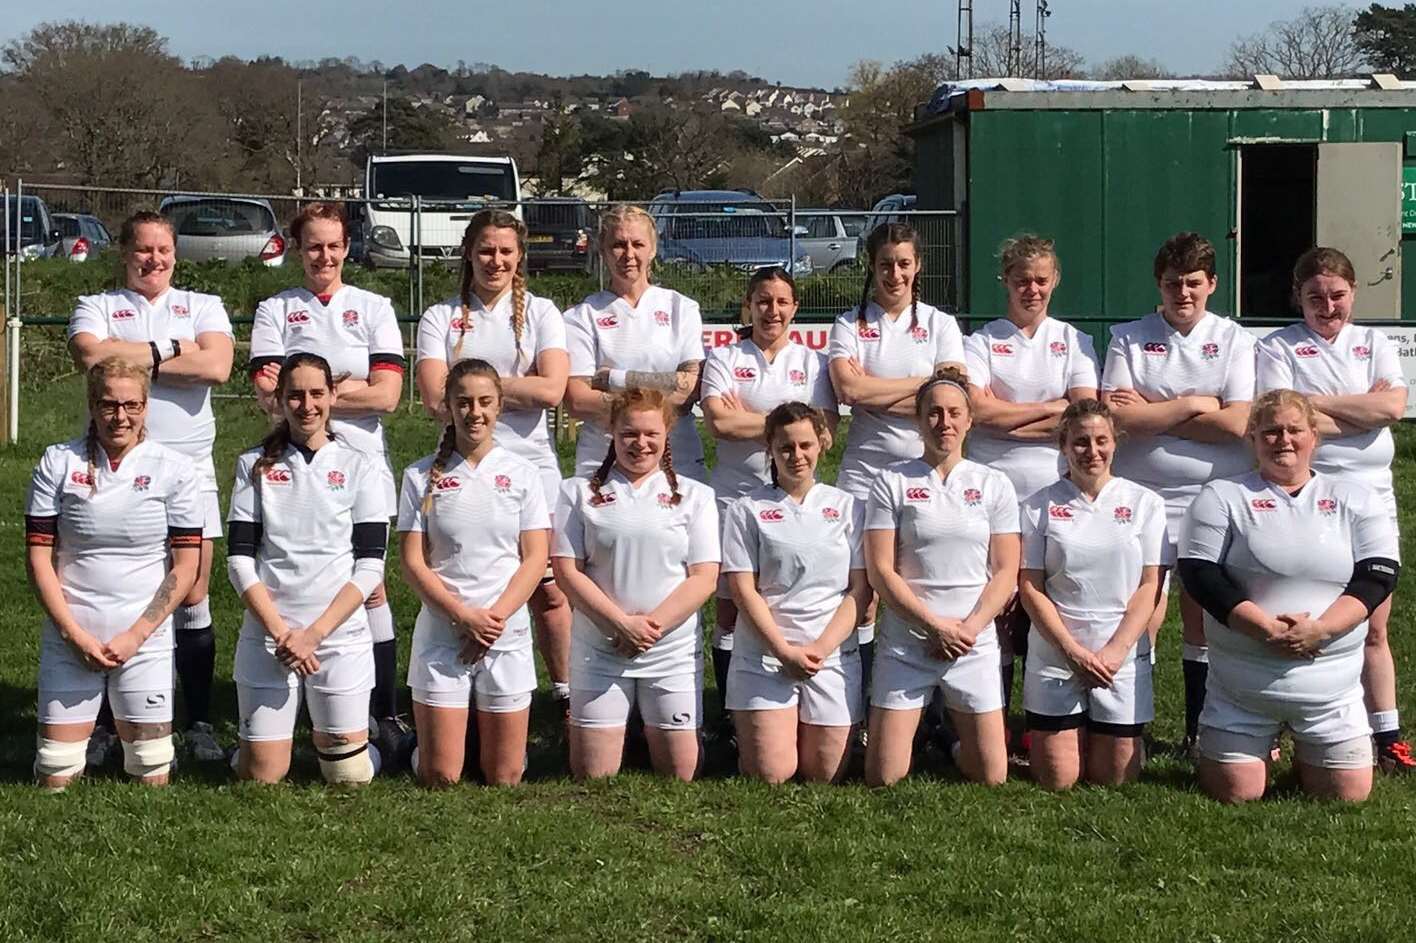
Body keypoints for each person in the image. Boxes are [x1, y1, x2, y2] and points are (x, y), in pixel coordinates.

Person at [66, 211, 234, 764]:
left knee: (191, 594)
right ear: (125, 253)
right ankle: (110, 723)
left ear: (176, 255)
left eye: (163, 250)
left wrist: (132, 354)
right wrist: (168, 351)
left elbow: (217, 365)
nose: (153, 260)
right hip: (113, 470)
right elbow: (93, 357)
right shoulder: (96, 306)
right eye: (143, 249)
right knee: (117, 585)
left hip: (188, 468)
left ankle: (200, 718)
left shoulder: (203, 306)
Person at [1178, 389, 1399, 803]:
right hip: (1241, 687)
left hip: (1332, 689)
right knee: (1236, 793)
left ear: (1314, 436)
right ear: (1253, 438)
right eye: (1271, 431)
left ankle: (1312, 750)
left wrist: (1322, 630)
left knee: (1346, 796)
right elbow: (1199, 574)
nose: (1283, 440)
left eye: (1294, 430)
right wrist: (1262, 628)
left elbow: (1378, 576)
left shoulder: (1357, 498)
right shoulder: (1221, 497)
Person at [248, 202, 408, 756]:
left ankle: (382, 710)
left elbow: (389, 395)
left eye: (334, 245)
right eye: (313, 245)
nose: (324, 256)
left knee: (371, 583)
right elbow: (269, 396)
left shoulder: (374, 306)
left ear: (347, 247)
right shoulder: (275, 309)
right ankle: (294, 695)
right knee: (290, 565)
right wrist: (340, 388)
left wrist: (312, 398)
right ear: (298, 249)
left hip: (362, 463)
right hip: (291, 465)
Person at [1255, 247, 1412, 774]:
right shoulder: (1277, 346)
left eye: (1338, 296)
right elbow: (1282, 417)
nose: (1328, 307)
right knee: (1291, 612)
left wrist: (1315, 406)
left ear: (1354, 295)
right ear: (1298, 298)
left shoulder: (1375, 343)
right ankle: (1276, 720)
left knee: (1371, 624)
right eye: (1315, 297)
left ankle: (1386, 734)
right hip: (1300, 498)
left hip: (1371, 501)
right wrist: (1357, 408)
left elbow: (1391, 409)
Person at [1101, 232, 1256, 754]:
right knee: (1140, 610)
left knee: (1204, 613)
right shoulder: (1128, 336)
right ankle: (1129, 728)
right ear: (1158, 285)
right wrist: (1194, 401)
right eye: (1172, 284)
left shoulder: (1235, 339)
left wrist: (1155, 412)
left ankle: (1198, 730)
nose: (1182, 293)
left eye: (1193, 283)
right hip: (1140, 494)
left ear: (1212, 284)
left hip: (1214, 496)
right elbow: (1117, 418)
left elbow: (1237, 424)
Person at [415, 210, 572, 717]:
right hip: (457, 468)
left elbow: (552, 389)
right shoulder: (441, 316)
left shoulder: (542, 312)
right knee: (463, 575)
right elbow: (435, 397)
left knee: (547, 590)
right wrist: (507, 386)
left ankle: (562, 691)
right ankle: (461, 673)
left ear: (520, 255)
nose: (496, 260)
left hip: (529, 465)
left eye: (506, 251)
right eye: (485, 250)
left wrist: (475, 386)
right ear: (468, 253)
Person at [27, 358, 202, 789]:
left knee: (149, 770)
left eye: (131, 405)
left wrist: (136, 636)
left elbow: (186, 567)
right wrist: (74, 636)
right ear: (91, 404)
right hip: (73, 636)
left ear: (146, 405)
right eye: (108, 405)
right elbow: (37, 559)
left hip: (144, 639)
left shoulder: (175, 470)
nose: (119, 417)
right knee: (55, 773)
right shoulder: (57, 462)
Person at [227, 353, 389, 785]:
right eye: (294, 395)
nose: (307, 405)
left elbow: (371, 566)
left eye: (317, 393)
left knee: (349, 774)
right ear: (278, 400)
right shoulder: (253, 464)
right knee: (262, 776)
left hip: (338, 637)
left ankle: (374, 740)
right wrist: (283, 634)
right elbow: (239, 560)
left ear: (333, 395)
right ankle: (248, 746)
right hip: (271, 637)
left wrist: (313, 635)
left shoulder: (361, 465)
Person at [963, 235, 1099, 724]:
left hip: (1054, 491)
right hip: (991, 490)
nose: (1032, 289)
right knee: (995, 606)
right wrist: (1050, 409)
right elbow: (977, 412)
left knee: (1051, 601)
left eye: (1041, 280)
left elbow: (1082, 413)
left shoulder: (1072, 341)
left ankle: (1044, 717)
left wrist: (1012, 415)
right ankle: (991, 718)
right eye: (1022, 280)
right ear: (1006, 281)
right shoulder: (980, 341)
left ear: (1055, 281)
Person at [551, 388, 720, 781]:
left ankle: (656, 731)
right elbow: (567, 571)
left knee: (681, 773)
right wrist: (620, 624)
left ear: (667, 436)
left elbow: (704, 578)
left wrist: (649, 628)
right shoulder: (577, 492)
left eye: (650, 434)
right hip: (602, 648)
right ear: (612, 431)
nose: (640, 444)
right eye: (629, 433)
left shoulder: (696, 496)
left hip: (670, 651)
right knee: (593, 775)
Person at [863, 368, 1019, 787]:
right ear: (918, 419)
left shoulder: (994, 484)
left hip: (972, 641)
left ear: (970, 420)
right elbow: (880, 569)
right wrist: (932, 626)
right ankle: (917, 729)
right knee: (883, 776)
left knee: (992, 776)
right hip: (908, 642)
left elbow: (1006, 572)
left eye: (954, 413)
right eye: (933, 413)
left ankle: (947, 738)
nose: (943, 423)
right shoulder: (891, 481)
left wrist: (966, 630)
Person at [399, 359, 551, 786]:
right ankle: (420, 747)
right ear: (447, 406)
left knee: (504, 776)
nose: (475, 412)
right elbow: (413, 561)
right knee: (441, 776)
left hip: (505, 633)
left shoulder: (523, 473)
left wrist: (493, 620)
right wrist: (462, 616)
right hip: (444, 633)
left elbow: (536, 558)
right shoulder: (419, 475)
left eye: (485, 402)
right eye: (463, 402)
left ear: (500, 405)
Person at [701, 268, 837, 740]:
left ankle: (816, 690)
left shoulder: (814, 363)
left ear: (795, 308)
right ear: (748, 306)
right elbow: (718, 423)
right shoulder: (723, 356)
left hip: (797, 497)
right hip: (735, 493)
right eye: (762, 301)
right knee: (730, 605)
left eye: (781, 302)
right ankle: (730, 712)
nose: (772, 310)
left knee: (792, 594)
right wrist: (788, 423)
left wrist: (753, 420)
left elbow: (825, 432)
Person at [828, 222, 966, 688]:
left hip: (928, 471)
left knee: (926, 579)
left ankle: (934, 697)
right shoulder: (850, 323)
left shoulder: (940, 324)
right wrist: (924, 387)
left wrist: (877, 393)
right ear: (873, 265)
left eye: (904, 263)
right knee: (862, 587)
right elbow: (847, 389)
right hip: (865, 472)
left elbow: (953, 394)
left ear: (918, 266)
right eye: (886, 264)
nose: (895, 274)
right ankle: (863, 695)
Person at [1018, 399, 1168, 789]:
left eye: (1101, 440)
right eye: (1080, 442)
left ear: (1115, 443)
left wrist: (1116, 651)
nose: (1092, 451)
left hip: (1120, 656)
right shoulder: (1038, 505)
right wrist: (1070, 650)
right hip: (1057, 652)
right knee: (1058, 780)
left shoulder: (1145, 504)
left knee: (1114, 778)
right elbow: (1030, 586)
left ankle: (1116, 734)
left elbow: (1149, 585)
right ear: (1063, 446)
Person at [721, 402, 867, 783]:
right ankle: (751, 739)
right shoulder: (745, 509)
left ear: (821, 444)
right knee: (772, 774)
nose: (796, 456)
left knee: (825, 774)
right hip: (766, 657)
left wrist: (820, 650)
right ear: (770, 448)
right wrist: (784, 652)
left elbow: (860, 588)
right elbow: (742, 590)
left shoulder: (848, 507)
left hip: (829, 656)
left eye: (805, 445)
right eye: (786, 447)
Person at [563, 205, 706, 482]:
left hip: (678, 454)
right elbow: (577, 400)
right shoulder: (582, 315)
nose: (629, 254)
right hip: (601, 455)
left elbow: (690, 389)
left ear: (652, 249)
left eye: (638, 244)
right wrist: (664, 384)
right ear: (603, 251)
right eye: (618, 244)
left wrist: (614, 379)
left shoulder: (682, 308)